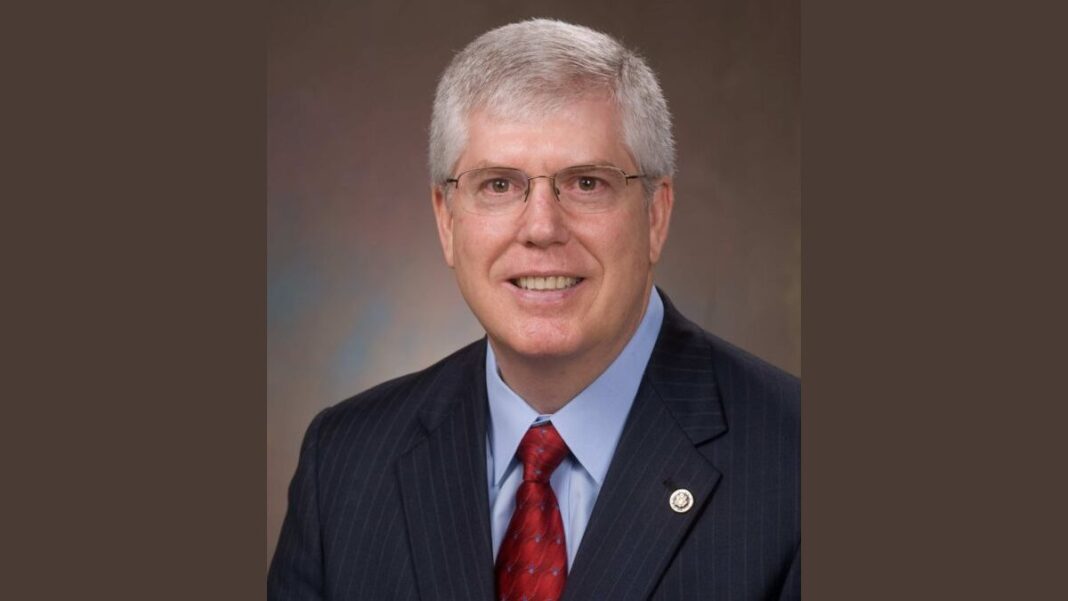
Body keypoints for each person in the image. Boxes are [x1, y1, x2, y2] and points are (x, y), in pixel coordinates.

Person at [269, 18, 799, 601]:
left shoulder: (796, 462)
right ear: (447, 220)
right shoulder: (343, 462)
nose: (542, 228)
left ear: (655, 215)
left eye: (587, 183)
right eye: (498, 185)